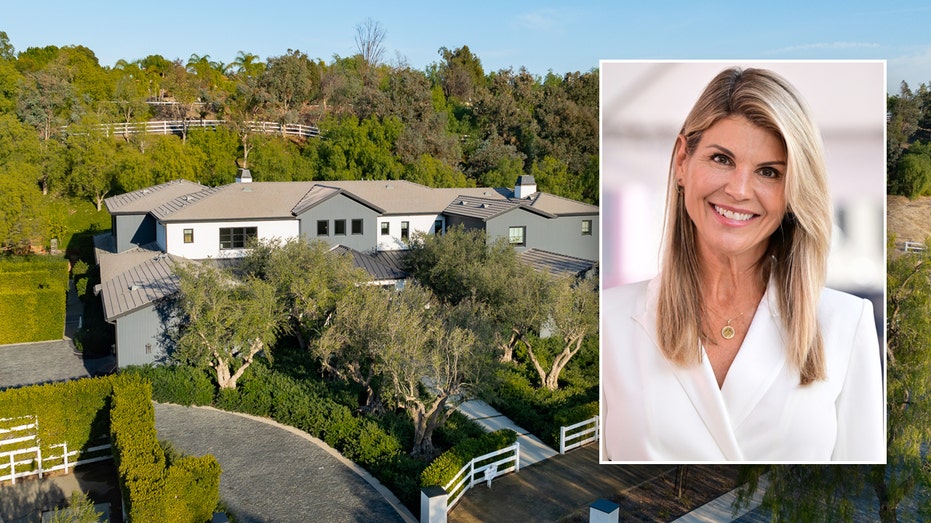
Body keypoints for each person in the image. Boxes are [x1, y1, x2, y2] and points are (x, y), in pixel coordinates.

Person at [601, 67, 884, 462]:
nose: (738, 190)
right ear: (683, 160)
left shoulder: (847, 325)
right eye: (721, 159)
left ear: (795, 191)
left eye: (769, 172)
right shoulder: (609, 320)